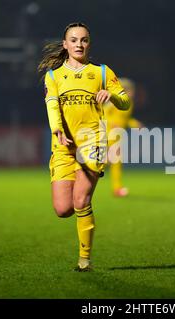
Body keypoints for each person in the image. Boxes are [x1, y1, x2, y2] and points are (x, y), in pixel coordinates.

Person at [38, 22, 130, 272]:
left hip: (93, 143)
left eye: (84, 40)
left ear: (89, 44)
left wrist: (112, 96)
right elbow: (52, 104)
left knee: (81, 200)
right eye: (74, 40)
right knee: (63, 209)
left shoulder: (101, 73)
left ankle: (84, 260)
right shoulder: (54, 76)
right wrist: (57, 129)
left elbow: (125, 102)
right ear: (65, 44)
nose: (79, 44)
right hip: (63, 146)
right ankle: (84, 250)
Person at [103, 77, 143, 197]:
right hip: (109, 133)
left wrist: (136, 124)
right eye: (131, 90)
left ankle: (117, 188)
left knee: (113, 161)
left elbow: (126, 120)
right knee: (113, 160)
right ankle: (117, 188)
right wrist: (111, 123)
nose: (133, 93)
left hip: (118, 135)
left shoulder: (129, 104)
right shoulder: (114, 101)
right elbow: (103, 113)